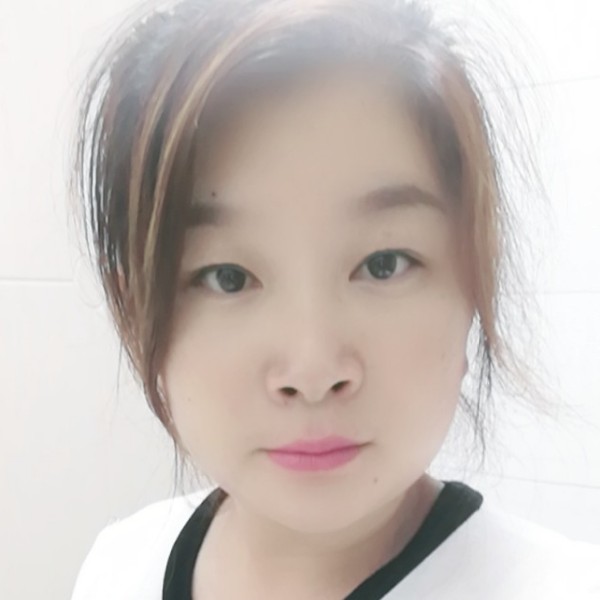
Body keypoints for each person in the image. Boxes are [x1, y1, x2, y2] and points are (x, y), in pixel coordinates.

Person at [69, 0, 600, 598]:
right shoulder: (119, 566)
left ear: (474, 282)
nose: (314, 371)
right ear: (134, 311)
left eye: (383, 264)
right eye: (228, 277)